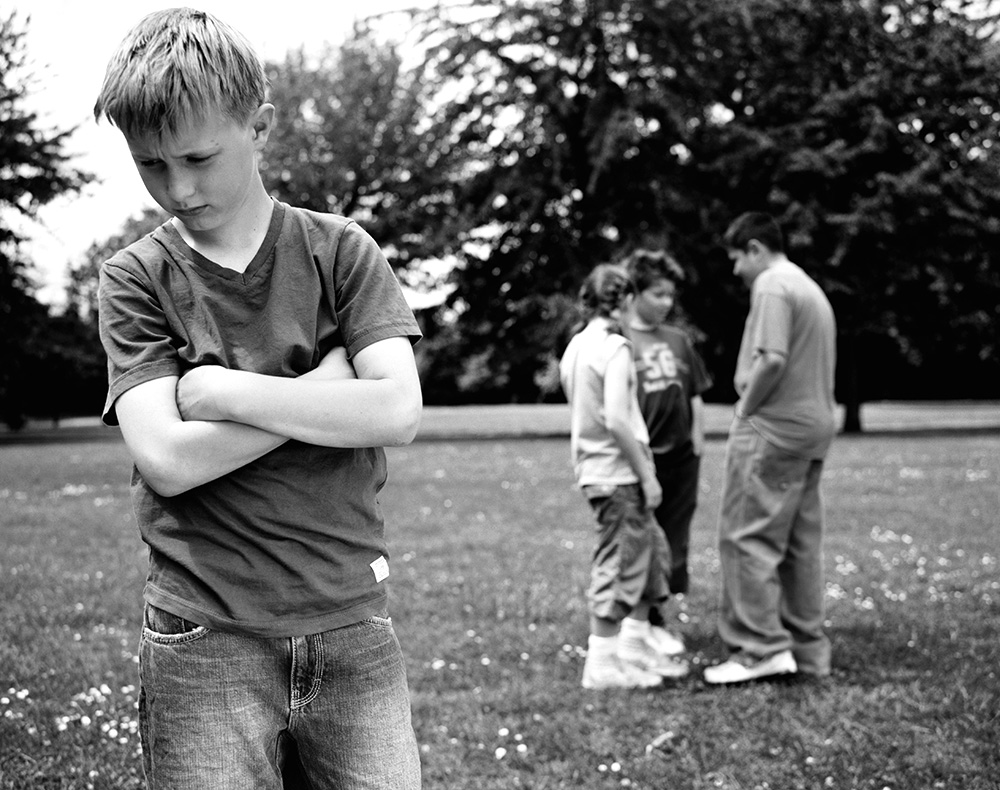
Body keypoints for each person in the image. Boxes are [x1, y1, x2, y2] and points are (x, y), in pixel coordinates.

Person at [93, 8, 422, 787]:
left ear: (261, 126)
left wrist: (224, 391)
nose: (177, 187)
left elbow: (397, 412)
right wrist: (324, 390)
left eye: (199, 157)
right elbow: (169, 461)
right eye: (150, 165)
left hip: (350, 624)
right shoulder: (135, 278)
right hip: (202, 636)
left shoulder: (341, 251)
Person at [703, 212, 837, 685]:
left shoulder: (773, 287)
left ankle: (759, 648)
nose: (736, 270)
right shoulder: (808, 287)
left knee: (745, 537)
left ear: (755, 248)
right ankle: (808, 652)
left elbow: (773, 358)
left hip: (773, 429)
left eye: (737, 258)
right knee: (799, 544)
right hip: (813, 429)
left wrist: (745, 408)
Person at [559, 263, 690, 690]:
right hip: (617, 474)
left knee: (648, 552)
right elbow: (616, 419)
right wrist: (646, 475)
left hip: (597, 470)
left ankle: (633, 648)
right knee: (619, 564)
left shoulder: (576, 346)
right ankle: (602, 665)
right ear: (628, 300)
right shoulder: (614, 347)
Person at [621, 249, 713, 655]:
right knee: (642, 542)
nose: (666, 303)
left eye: (670, 295)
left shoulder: (679, 340)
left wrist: (697, 440)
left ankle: (658, 617)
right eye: (657, 294)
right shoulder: (620, 339)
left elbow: (695, 393)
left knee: (675, 543)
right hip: (643, 462)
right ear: (636, 292)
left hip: (681, 460)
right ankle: (635, 621)